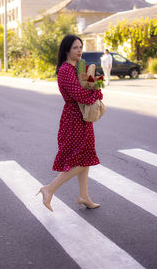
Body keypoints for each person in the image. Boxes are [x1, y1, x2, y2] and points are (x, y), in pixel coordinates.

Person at [36, 34, 103, 212]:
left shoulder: (81, 67)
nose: (79, 50)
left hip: (84, 118)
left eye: (80, 47)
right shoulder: (66, 70)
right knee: (79, 160)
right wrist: (96, 93)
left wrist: (96, 86)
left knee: (86, 156)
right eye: (75, 47)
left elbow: (95, 86)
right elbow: (80, 95)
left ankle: (84, 195)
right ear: (67, 50)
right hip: (73, 118)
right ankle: (49, 189)